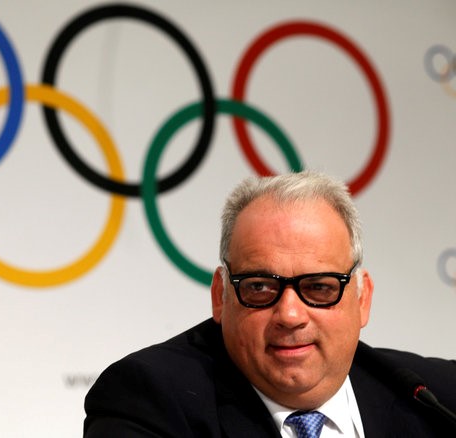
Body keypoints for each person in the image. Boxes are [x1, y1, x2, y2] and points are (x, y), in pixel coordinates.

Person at [83, 170, 456, 437]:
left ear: (362, 299)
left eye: (320, 287)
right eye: (260, 287)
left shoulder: (441, 398)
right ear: (220, 296)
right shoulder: (147, 402)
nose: (290, 315)